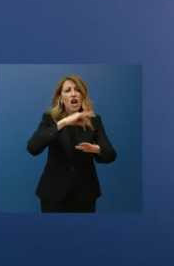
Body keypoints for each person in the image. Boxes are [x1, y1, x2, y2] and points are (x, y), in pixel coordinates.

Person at [26, 74, 117, 213]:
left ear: (82, 95)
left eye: (77, 90)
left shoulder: (94, 120)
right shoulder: (50, 119)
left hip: (85, 195)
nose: (73, 94)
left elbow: (110, 154)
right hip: (53, 194)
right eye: (68, 90)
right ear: (60, 98)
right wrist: (63, 123)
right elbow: (32, 148)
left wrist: (95, 149)